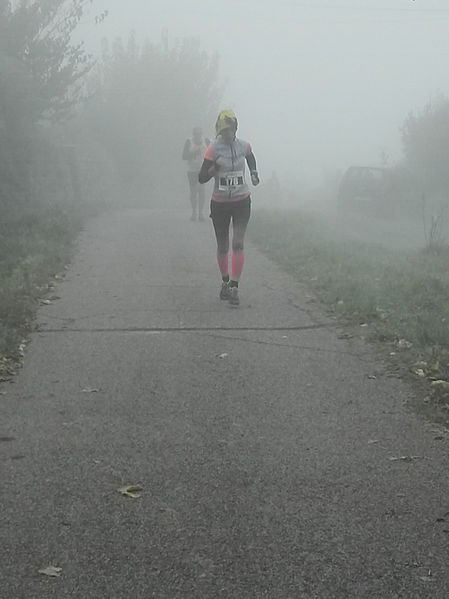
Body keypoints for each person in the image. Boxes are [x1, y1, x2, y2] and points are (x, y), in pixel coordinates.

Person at [198, 109, 259, 306]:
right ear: (218, 131)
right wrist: (214, 169)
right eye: (223, 131)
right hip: (220, 203)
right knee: (223, 245)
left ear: (235, 128)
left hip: (241, 201)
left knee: (238, 243)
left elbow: (250, 157)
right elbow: (201, 178)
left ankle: (234, 286)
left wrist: (254, 173)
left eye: (230, 130)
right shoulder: (213, 149)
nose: (227, 134)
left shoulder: (244, 145)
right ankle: (225, 280)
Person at [182, 126, 210, 221]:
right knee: (193, 192)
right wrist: (193, 154)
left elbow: (212, 153)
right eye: (196, 134)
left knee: (201, 191)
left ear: (201, 134)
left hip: (202, 169)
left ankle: (201, 213)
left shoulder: (206, 141)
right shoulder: (189, 141)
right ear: (193, 134)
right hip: (192, 170)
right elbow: (184, 156)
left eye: (199, 134)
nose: (198, 136)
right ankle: (194, 211)